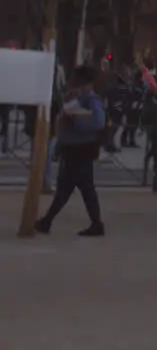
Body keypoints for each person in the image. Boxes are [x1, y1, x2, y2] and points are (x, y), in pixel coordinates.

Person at [35, 66, 107, 237]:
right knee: (76, 188)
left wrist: (76, 120)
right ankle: (49, 221)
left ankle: (48, 221)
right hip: (72, 149)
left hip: (81, 149)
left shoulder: (91, 99)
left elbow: (99, 122)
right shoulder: (76, 98)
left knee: (71, 188)